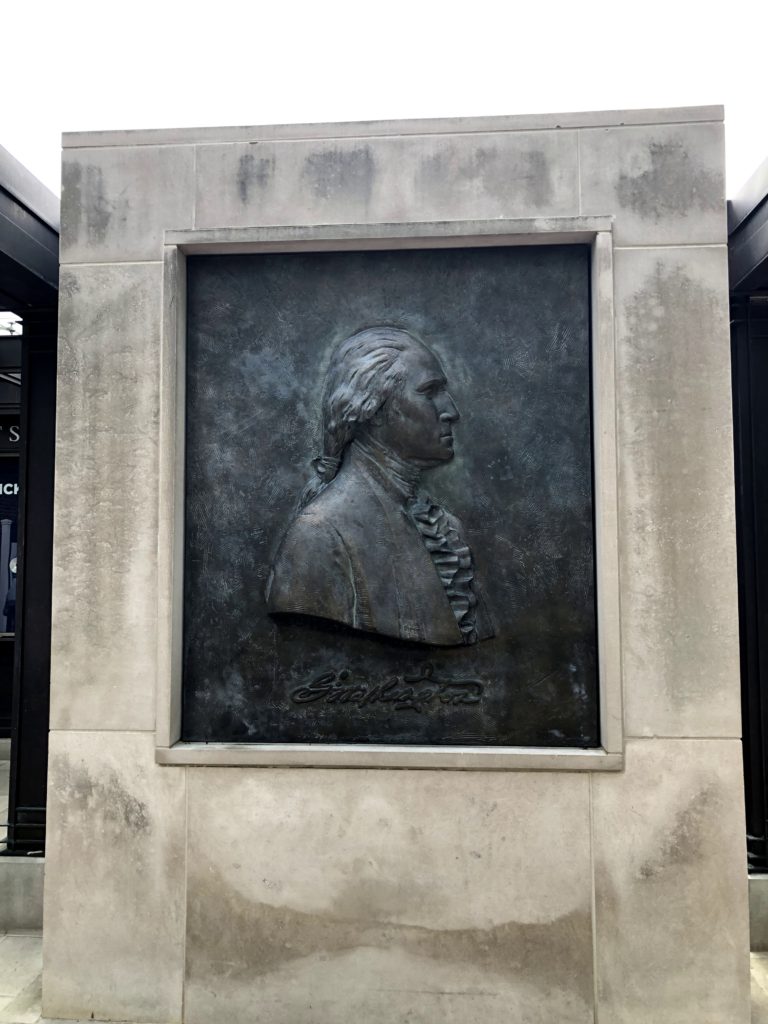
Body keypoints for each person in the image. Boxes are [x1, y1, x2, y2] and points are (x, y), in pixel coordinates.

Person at [266, 326, 494, 646]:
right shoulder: (319, 537)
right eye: (430, 392)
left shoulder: (445, 529)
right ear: (371, 408)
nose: (451, 412)